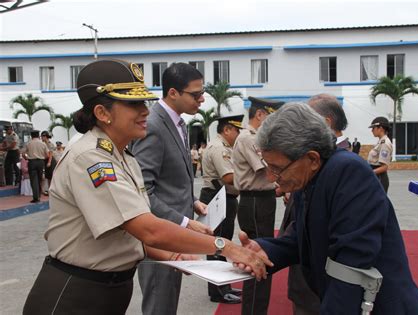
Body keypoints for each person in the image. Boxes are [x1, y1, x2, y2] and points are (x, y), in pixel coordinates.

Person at [23, 59, 271, 315]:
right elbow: (146, 228)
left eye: (144, 102)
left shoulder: (123, 157)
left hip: (107, 290)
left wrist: (172, 255)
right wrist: (226, 247)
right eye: (133, 104)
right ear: (102, 113)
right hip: (75, 293)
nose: (145, 111)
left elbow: (126, 231)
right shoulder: (91, 158)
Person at [236, 102, 418, 314]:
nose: (271, 177)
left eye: (277, 168)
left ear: (312, 158)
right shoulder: (309, 176)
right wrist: (267, 249)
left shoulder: (349, 172)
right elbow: (305, 238)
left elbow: (351, 267)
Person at [129, 62, 212, 315]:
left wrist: (193, 200)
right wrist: (185, 222)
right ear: (173, 93)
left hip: (173, 231)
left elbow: (172, 176)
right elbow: (143, 191)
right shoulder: (153, 125)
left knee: (167, 302)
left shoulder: (177, 122)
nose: (202, 98)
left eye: (202, 92)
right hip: (160, 236)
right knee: (160, 304)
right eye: (196, 94)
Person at [279, 93, 350, 315]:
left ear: (326, 123)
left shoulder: (344, 165)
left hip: (322, 278)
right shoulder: (315, 159)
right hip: (304, 262)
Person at [233, 96, 283, 315]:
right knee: (258, 258)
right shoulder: (247, 138)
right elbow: (266, 170)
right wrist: (288, 184)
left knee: (264, 255)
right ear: (260, 114)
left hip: (263, 199)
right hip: (254, 201)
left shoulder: (257, 138)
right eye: (271, 117)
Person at [199, 114, 244, 304]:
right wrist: (251, 182)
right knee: (217, 246)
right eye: (236, 130)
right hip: (218, 197)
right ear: (226, 130)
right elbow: (227, 177)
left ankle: (223, 286)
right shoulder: (219, 148)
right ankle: (218, 291)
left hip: (224, 197)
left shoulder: (225, 147)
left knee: (221, 243)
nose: (239, 134)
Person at [367, 117, 393, 192]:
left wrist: (369, 172)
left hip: (380, 178)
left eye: (373, 128)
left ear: (380, 128)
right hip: (376, 176)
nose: (372, 131)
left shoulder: (385, 143)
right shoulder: (380, 142)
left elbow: (384, 167)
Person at [24, 130, 48, 203]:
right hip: (41, 162)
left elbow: (23, 154)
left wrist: (26, 158)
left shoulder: (28, 143)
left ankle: (36, 197)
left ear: (31, 136)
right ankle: (38, 195)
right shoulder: (43, 144)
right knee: (39, 179)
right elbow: (47, 155)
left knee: (33, 180)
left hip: (32, 162)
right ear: (38, 136)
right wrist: (42, 158)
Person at [41, 130, 56, 195]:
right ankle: (48, 190)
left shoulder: (50, 144)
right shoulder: (43, 144)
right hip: (45, 160)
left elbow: (51, 154)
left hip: (50, 161)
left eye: (42, 136)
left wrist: (49, 162)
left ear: (46, 137)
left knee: (50, 176)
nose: (41, 138)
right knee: (47, 176)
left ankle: (51, 190)